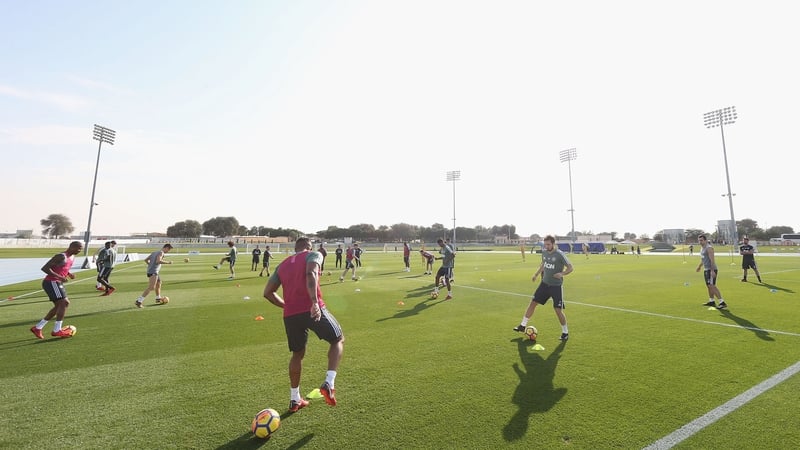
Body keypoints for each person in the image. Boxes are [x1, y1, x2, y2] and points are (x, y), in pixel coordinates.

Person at [263, 237, 344, 412]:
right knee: (338, 339)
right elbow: (311, 273)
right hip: (312, 308)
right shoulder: (313, 255)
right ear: (308, 246)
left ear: (295, 248)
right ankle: (329, 383)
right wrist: (314, 302)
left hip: (291, 315)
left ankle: (294, 399)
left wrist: (287, 305)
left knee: (297, 354)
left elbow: (268, 293)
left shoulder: (283, 264)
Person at [513, 235, 572, 341]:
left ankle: (565, 332)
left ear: (553, 243)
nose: (546, 246)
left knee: (558, 310)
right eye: (545, 244)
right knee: (533, 303)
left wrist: (562, 274)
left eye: (548, 244)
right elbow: (543, 264)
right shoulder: (544, 252)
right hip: (544, 284)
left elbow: (570, 268)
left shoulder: (560, 254)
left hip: (556, 286)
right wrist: (536, 274)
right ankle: (522, 325)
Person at [30, 241, 83, 339]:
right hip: (51, 282)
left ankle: (38, 327)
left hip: (57, 282)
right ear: (71, 247)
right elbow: (45, 268)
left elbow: (62, 268)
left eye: (81, 248)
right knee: (64, 303)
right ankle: (56, 330)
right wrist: (60, 276)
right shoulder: (61, 256)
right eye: (78, 248)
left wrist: (68, 274)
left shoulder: (72, 257)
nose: (80, 250)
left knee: (60, 305)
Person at [135, 243, 174, 308]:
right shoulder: (161, 253)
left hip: (153, 271)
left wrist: (150, 265)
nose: (168, 251)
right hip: (153, 272)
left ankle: (158, 298)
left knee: (159, 282)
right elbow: (158, 261)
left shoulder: (154, 252)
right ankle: (139, 301)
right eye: (169, 250)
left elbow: (146, 260)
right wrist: (168, 262)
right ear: (166, 248)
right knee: (151, 287)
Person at [696, 235, 727, 310]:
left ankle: (722, 302)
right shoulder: (702, 248)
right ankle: (711, 301)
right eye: (699, 240)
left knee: (712, 285)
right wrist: (699, 266)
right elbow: (703, 259)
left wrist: (712, 271)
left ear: (706, 240)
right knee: (709, 286)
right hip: (706, 269)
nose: (700, 242)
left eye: (702, 240)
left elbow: (712, 260)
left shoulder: (709, 248)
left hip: (711, 269)